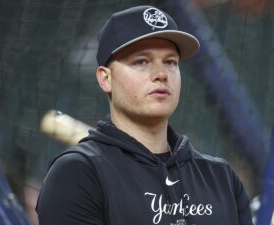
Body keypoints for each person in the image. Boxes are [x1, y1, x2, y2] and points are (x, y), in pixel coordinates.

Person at [36, 5, 253, 225]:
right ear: (105, 79)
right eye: (141, 61)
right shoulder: (79, 174)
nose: (161, 74)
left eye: (170, 62)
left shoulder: (221, 177)